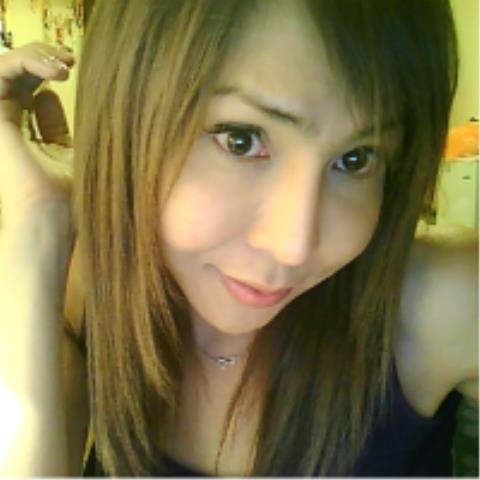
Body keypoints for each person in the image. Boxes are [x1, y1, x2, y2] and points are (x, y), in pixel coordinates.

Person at [0, 0, 477, 476]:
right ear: (125, 119)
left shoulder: (438, 304)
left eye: (356, 159)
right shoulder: (90, 293)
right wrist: (35, 225)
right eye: (240, 140)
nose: (294, 246)